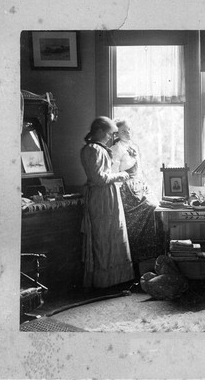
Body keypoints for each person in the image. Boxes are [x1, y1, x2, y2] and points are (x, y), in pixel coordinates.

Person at [80, 116, 135, 289]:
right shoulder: (92, 149)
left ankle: (114, 280)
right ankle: (104, 281)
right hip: (101, 197)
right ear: (101, 131)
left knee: (113, 234)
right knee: (103, 237)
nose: (112, 137)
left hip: (108, 195)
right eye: (110, 133)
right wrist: (122, 175)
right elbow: (99, 178)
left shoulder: (99, 148)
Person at [111, 118, 162, 277]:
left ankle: (153, 263)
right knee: (146, 213)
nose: (128, 133)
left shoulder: (134, 147)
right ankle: (135, 267)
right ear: (116, 134)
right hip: (127, 190)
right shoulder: (115, 149)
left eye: (129, 130)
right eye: (123, 131)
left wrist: (145, 183)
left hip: (140, 187)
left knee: (157, 209)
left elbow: (140, 170)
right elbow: (113, 173)